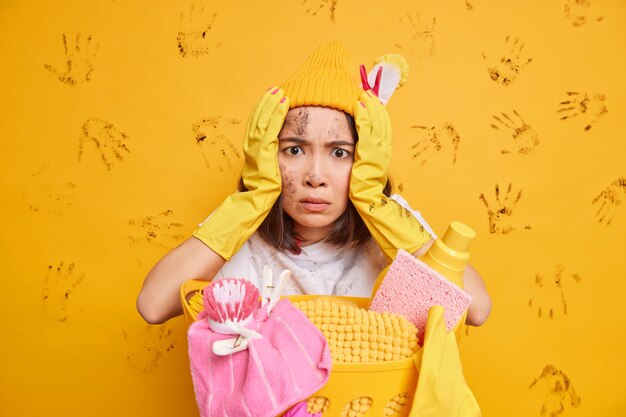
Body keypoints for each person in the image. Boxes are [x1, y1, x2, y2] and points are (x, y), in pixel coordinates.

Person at [136, 42, 492, 326]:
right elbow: (153, 305)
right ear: (267, 155)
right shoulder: (240, 224)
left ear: (367, 158)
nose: (315, 176)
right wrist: (255, 196)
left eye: (340, 153)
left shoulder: (392, 223)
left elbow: (475, 310)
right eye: (294, 149)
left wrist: (373, 201)